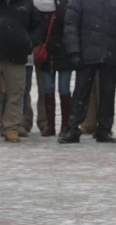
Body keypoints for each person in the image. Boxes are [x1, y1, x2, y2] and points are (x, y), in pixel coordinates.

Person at [58, 0, 116, 144]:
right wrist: (74, 52)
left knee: (107, 93)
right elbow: (71, 26)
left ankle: (103, 129)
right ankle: (73, 128)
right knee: (81, 92)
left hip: (111, 54)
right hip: (88, 54)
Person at [0, 0, 44, 142]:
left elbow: (39, 25)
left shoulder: (26, 4)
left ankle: (11, 128)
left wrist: (29, 42)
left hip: (17, 56)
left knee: (16, 94)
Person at [37, 0, 73, 138]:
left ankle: (64, 125)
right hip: (49, 53)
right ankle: (51, 125)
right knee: (49, 89)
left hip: (62, 52)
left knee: (63, 89)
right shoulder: (40, 7)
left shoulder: (65, 7)